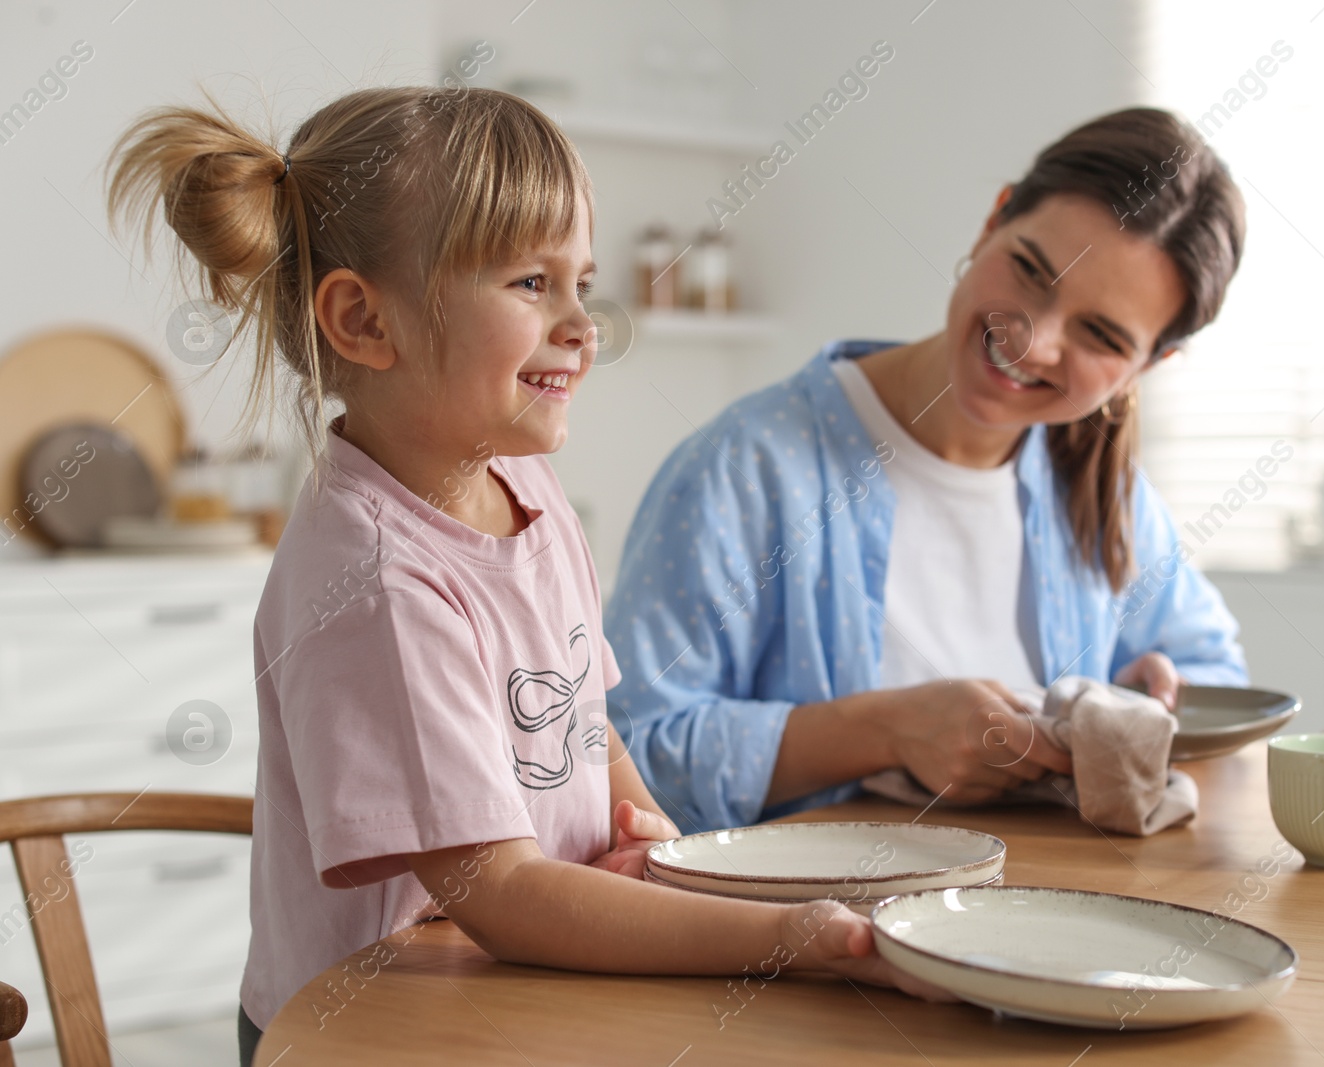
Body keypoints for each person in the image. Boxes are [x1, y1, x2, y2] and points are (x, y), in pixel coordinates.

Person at [106, 85, 939, 1067]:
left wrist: (651, 834)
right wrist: (779, 937)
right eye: (530, 284)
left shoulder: (525, 486)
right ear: (364, 321)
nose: (584, 323)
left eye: (581, 282)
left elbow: (588, 719)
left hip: (514, 984)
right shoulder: (377, 584)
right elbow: (499, 893)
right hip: (379, 1031)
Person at [606, 107, 1251, 836]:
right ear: (992, 221)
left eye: (1099, 334)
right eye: (1032, 271)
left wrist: (1149, 696)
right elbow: (630, 756)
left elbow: (1215, 677)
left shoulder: (1107, 494)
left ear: (1149, 365)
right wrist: (887, 728)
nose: (1032, 341)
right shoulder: (746, 469)